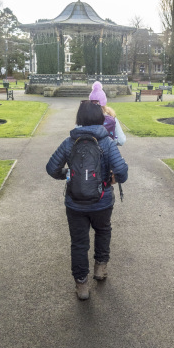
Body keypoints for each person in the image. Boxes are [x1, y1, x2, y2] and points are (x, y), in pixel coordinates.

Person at [46, 100, 128, 300]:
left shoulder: (69, 142)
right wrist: (111, 179)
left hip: (75, 203)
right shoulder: (107, 142)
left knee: (79, 243)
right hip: (102, 201)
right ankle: (100, 268)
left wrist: (68, 174)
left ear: (80, 119)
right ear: (100, 118)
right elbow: (122, 171)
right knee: (103, 230)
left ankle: (82, 285)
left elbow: (51, 168)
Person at [89, 81, 126, 145]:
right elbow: (121, 140)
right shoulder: (111, 116)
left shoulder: (84, 117)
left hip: (89, 152)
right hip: (108, 152)